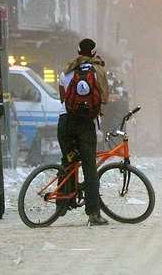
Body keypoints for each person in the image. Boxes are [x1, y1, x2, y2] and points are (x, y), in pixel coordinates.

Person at [57, 38, 110, 226]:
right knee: (89, 168)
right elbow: (104, 98)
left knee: (68, 162)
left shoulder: (66, 70)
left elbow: (62, 98)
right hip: (85, 124)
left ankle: (61, 205)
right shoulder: (98, 71)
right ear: (94, 53)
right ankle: (93, 214)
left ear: (77, 51)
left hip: (65, 122)